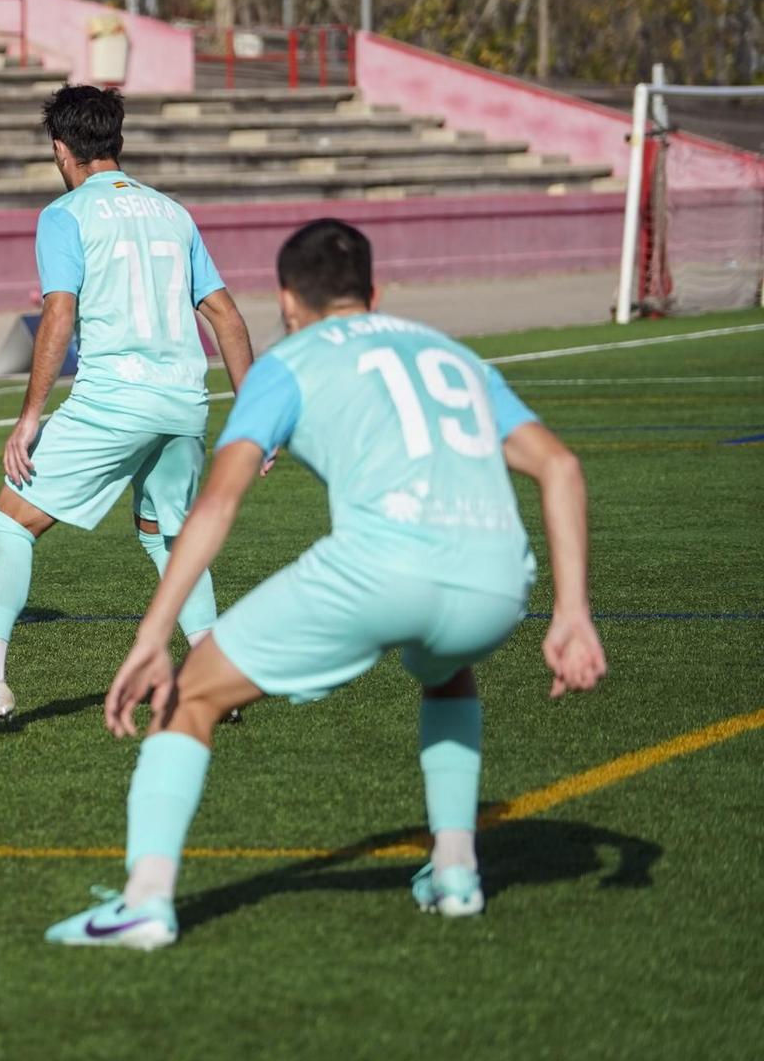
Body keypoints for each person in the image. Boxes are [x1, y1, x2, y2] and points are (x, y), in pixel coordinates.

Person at [48, 219, 608, 950]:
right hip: (498, 582)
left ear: (286, 302)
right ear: (374, 294)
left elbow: (215, 505)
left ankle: (145, 901)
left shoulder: (288, 362)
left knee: (190, 697)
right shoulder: (451, 352)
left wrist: (154, 635)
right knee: (447, 671)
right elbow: (559, 467)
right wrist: (572, 611)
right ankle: (455, 867)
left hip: (383, 569)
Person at [0, 85, 258, 738]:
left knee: (9, 522)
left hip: (114, 400)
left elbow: (59, 313)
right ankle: (218, 673)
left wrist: (30, 412)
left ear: (61, 150)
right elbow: (227, 319)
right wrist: (256, 422)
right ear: (116, 142)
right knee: (169, 535)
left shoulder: (65, 214)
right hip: (185, 402)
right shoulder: (174, 213)